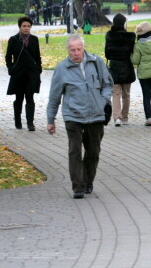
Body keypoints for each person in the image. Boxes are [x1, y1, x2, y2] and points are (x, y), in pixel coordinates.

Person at [46, 34, 113, 199]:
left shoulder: (96, 62)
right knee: (74, 151)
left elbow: (107, 84)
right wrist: (50, 120)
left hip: (95, 115)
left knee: (93, 152)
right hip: (73, 116)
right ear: (68, 50)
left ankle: (88, 180)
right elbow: (54, 97)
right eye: (72, 50)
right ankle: (78, 186)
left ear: (83, 48)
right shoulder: (62, 69)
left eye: (79, 49)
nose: (76, 53)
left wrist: (102, 101)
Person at [5, 16, 42, 131]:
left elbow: (37, 56)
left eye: (28, 26)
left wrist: (38, 69)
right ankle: (17, 120)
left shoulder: (34, 39)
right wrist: (11, 69)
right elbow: (8, 57)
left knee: (30, 98)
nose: (26, 28)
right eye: (24, 26)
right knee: (19, 98)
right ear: (20, 27)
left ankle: (30, 123)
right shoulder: (14, 39)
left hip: (31, 73)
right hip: (18, 74)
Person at [105, 14, 136, 126]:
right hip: (127, 68)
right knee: (126, 94)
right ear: (124, 23)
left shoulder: (109, 36)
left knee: (116, 94)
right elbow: (133, 52)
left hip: (114, 69)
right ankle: (125, 117)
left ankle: (116, 117)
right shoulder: (131, 37)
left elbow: (107, 54)